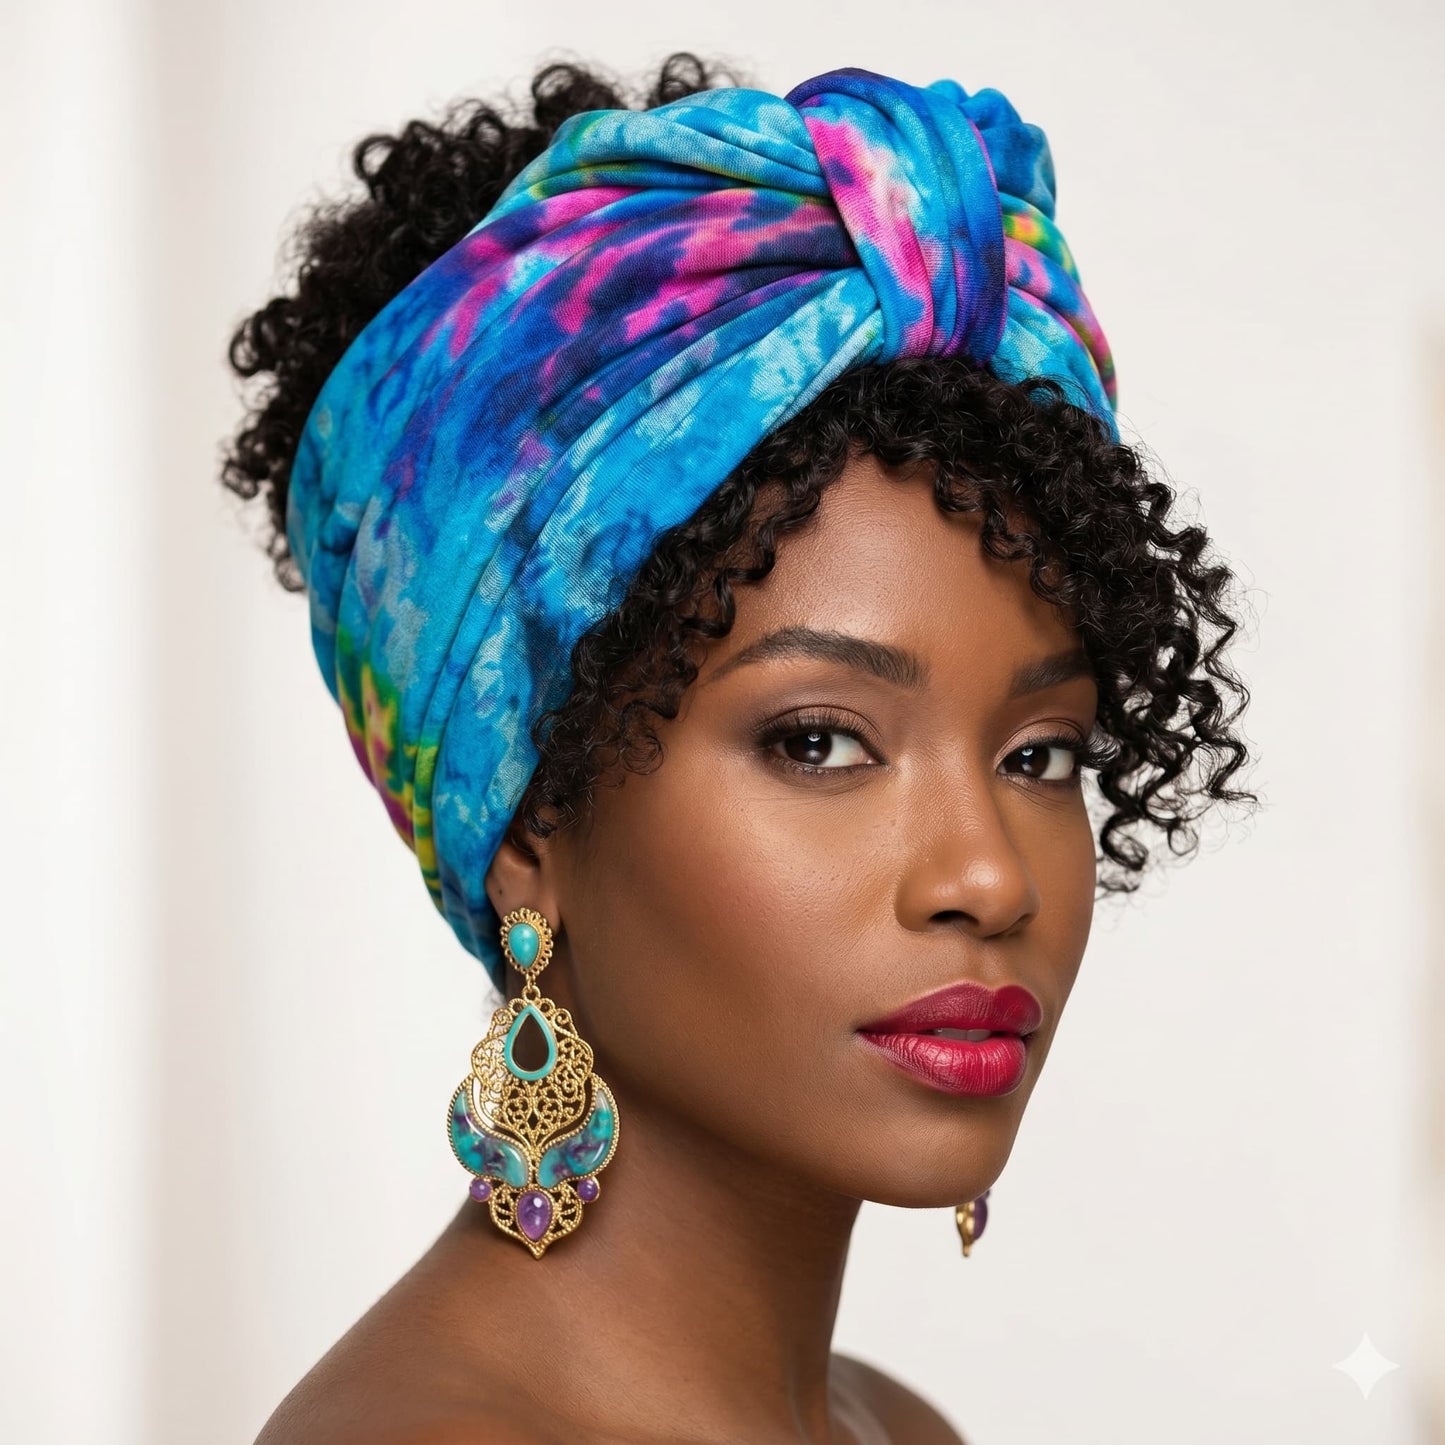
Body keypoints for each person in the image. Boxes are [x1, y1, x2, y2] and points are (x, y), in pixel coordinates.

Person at [223, 51, 1255, 1445]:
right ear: (529, 827)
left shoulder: (894, 1426)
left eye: (1039, 753)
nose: (986, 876)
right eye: (820, 740)